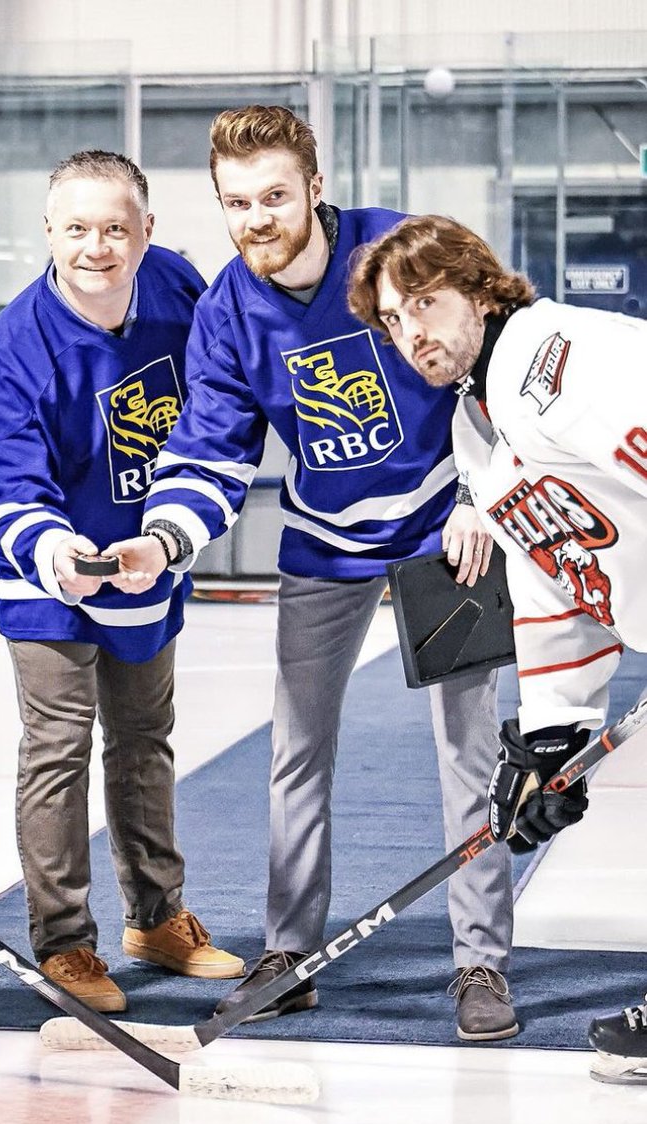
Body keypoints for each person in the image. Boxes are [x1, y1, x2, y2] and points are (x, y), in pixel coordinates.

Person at [106, 106, 516, 1041]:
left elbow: (491, 364)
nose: (258, 218)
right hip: (325, 542)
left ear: (315, 188)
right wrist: (163, 540)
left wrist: (482, 495)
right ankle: (288, 957)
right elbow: (209, 450)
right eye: (237, 202)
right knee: (296, 752)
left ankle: (481, 960)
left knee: (470, 752)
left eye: (276, 197)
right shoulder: (226, 312)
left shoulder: (400, 252)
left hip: (444, 533)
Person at [347, 212, 647, 1083]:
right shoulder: (478, 423)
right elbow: (558, 578)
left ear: (480, 291)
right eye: (393, 321)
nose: (411, 334)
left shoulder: (562, 360)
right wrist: (553, 735)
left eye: (425, 303)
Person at [0, 150, 244, 1013]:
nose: (98, 246)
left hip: (148, 559)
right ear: (49, 233)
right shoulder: (15, 349)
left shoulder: (178, 290)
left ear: (147, 230)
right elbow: (5, 490)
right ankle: (65, 942)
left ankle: (156, 919)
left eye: (116, 228)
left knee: (144, 737)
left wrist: (164, 537)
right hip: (44, 575)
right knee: (59, 744)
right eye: (78, 228)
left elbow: (219, 403)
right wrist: (57, 552)